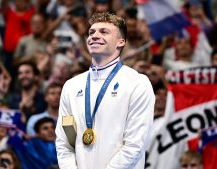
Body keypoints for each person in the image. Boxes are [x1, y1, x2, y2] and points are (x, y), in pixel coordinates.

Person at [55, 12, 155, 169]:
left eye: (104, 32)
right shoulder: (71, 86)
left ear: (120, 42)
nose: (94, 35)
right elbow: (65, 142)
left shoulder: (137, 83)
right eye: (91, 32)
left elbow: (135, 144)